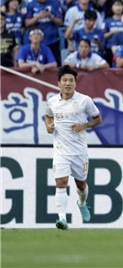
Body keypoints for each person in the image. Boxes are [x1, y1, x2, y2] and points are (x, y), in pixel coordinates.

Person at [44, 65, 103, 230]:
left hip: (79, 151)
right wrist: (48, 126)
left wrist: (85, 125)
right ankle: (62, 219)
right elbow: (48, 116)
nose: (68, 83)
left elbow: (98, 119)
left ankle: (82, 203)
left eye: (71, 80)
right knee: (61, 182)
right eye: (65, 80)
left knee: (81, 185)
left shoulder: (84, 101)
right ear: (59, 83)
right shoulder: (52, 102)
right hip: (61, 150)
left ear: (75, 83)